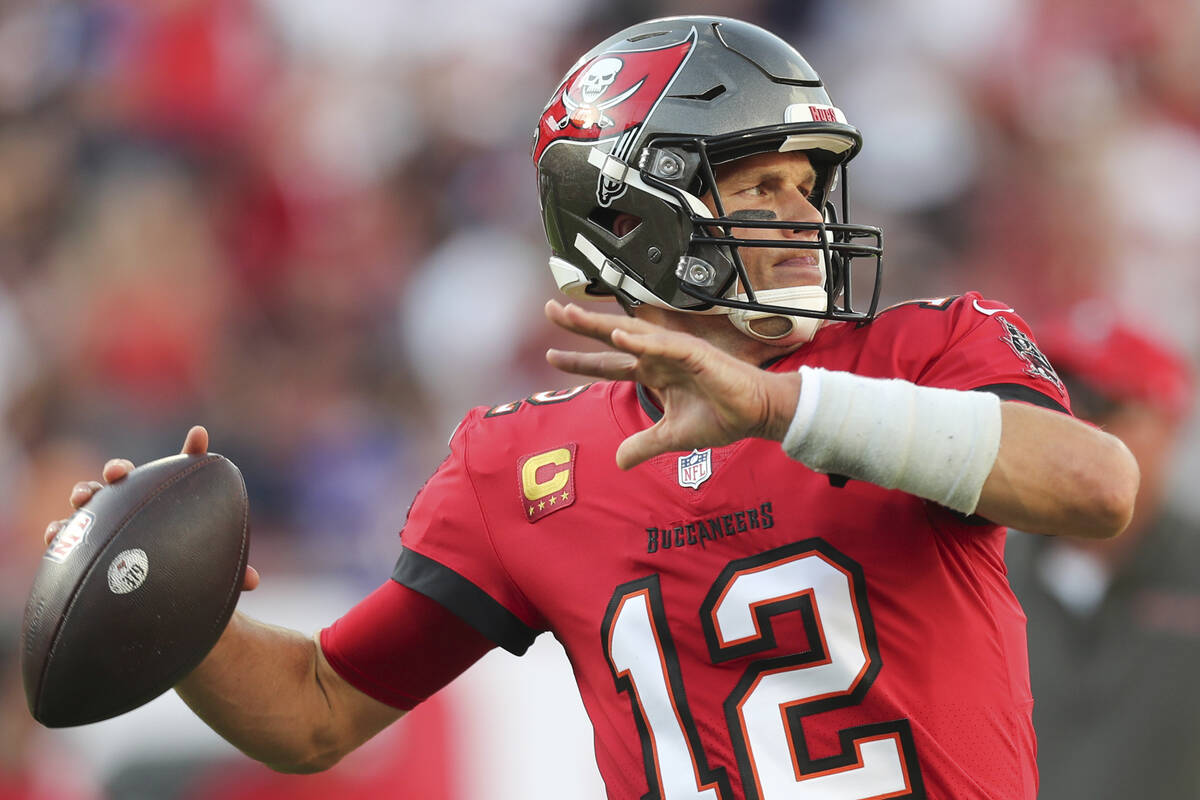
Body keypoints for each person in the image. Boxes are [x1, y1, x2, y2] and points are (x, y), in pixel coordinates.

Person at [44, 16, 1138, 800]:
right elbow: (320, 707)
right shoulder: (520, 464)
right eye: (761, 184)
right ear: (632, 216)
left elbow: (1096, 487)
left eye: (811, 182)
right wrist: (165, 599)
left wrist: (780, 405)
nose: (804, 213)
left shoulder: (922, 348)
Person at [1004, 304, 1198, 799]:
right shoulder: (984, 571)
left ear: (1169, 423)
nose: (1075, 428)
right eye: (1057, 403)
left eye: (1101, 404)